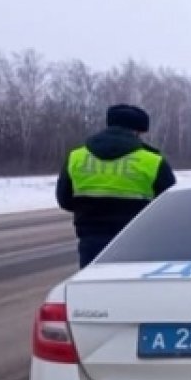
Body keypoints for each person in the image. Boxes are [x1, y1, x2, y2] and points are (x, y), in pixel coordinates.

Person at [56, 104, 176, 267]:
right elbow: (169, 206)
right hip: (138, 242)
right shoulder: (152, 161)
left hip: (91, 242)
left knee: (95, 281)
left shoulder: (76, 157)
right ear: (137, 131)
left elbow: (64, 200)